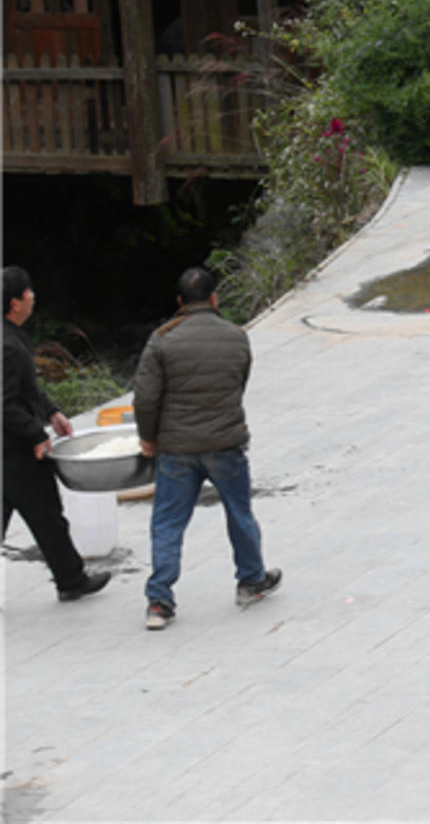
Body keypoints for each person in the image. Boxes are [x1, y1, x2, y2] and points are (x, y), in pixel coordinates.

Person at [134, 267, 280, 631]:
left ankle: (159, 601)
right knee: (239, 512)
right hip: (225, 444)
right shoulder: (236, 337)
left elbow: (146, 398)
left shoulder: (161, 340)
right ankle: (250, 581)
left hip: (176, 449)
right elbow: (238, 384)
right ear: (215, 299)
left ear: (180, 302)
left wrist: (148, 437)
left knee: (168, 522)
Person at [2, 267, 111, 602]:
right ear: (14, 302)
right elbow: (4, 403)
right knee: (46, 514)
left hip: (11, 448)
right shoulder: (7, 346)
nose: (34, 296)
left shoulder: (13, 335)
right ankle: (71, 579)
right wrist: (37, 434)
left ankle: (70, 577)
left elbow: (27, 390)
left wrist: (52, 412)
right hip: (14, 449)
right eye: (28, 292)